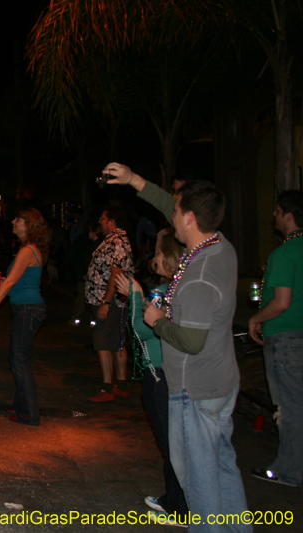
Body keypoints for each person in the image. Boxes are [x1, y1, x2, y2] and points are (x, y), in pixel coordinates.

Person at [104, 162, 251, 532]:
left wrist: (157, 320)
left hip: (196, 390)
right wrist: (134, 180)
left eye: (176, 209)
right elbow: (168, 201)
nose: (170, 213)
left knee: (198, 481)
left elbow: (192, 340)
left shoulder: (200, 273)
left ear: (188, 218)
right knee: (221, 468)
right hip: (219, 384)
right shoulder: (218, 246)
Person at [115, 230, 189, 522]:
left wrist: (136, 298)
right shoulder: (170, 289)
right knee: (172, 442)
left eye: (158, 251)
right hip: (166, 372)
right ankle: (172, 498)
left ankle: (179, 506)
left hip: (161, 374)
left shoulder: (170, 291)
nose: (153, 256)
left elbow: (144, 331)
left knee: (172, 444)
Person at [248, 190, 303, 487]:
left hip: (285, 338)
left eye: (277, 211)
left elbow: (282, 302)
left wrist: (256, 318)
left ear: (289, 215)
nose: (274, 216)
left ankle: (290, 470)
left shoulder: (284, 253)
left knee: (289, 407)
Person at [0, 208, 49, 426]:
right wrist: (8, 282)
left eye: (18, 219)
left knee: (19, 361)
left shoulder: (27, 250)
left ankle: (30, 415)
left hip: (28, 309)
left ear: (29, 225)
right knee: (18, 358)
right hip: (29, 307)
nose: (12, 221)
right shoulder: (31, 249)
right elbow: (27, 281)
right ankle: (21, 405)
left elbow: (11, 282)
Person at [85, 205, 134, 402]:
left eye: (103, 218)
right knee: (116, 341)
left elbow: (117, 273)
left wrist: (106, 301)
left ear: (112, 221)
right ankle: (120, 386)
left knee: (103, 342)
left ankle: (107, 388)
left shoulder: (118, 241)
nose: (100, 221)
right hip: (112, 301)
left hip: (111, 302)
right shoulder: (114, 241)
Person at [68, 221, 100, 326]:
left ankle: (93, 319)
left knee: (91, 298)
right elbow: (74, 255)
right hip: (84, 274)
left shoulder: (100, 244)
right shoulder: (82, 240)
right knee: (82, 296)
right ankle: (77, 317)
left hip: (92, 276)